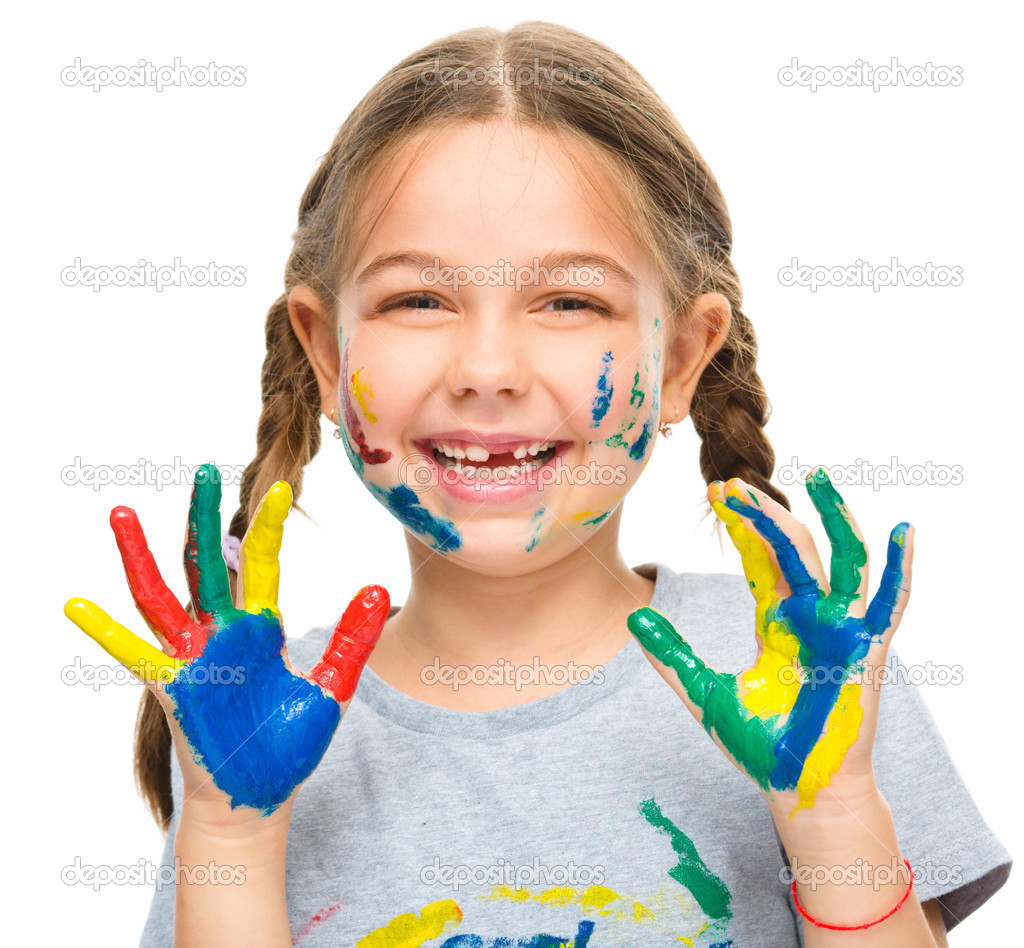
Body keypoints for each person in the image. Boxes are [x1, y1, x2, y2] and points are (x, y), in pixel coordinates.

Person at [63, 20, 1010, 947]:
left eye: (568, 301)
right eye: (418, 300)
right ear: (322, 351)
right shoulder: (259, 711)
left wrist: (836, 813)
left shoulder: (797, 673)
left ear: (682, 358)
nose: (488, 367)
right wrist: (232, 834)